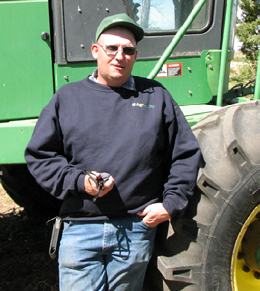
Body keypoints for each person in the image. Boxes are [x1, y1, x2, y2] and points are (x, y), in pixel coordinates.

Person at [25, 13, 201, 291]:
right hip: (80, 230)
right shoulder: (67, 98)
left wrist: (170, 204)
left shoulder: (156, 96)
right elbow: (40, 156)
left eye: (128, 50)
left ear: (135, 55)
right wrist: (80, 181)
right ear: (96, 51)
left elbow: (186, 153)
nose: (120, 56)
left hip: (135, 229)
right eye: (112, 48)